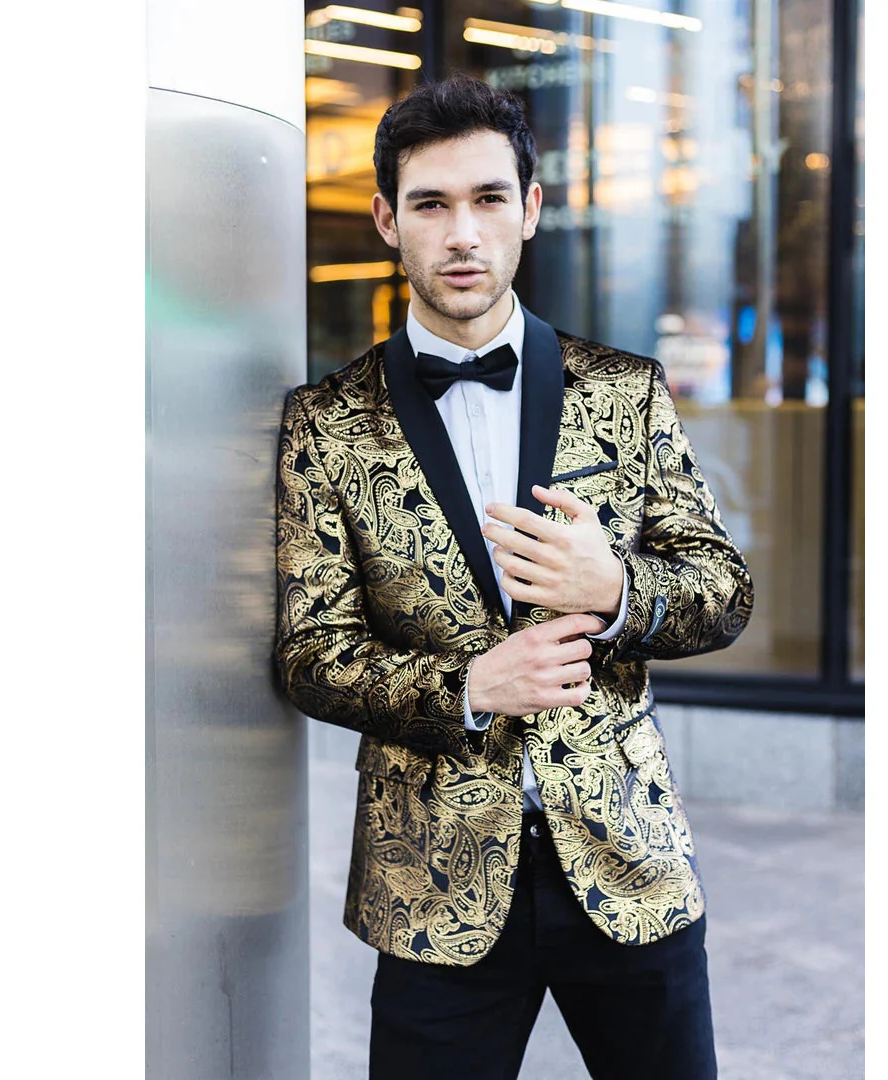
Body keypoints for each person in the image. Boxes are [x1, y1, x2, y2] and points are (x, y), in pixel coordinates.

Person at [275, 72, 754, 1080]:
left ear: (529, 210)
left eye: (489, 199)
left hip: (628, 865)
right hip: (431, 883)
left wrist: (617, 592)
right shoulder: (324, 424)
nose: (463, 235)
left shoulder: (626, 392)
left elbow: (723, 590)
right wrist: (470, 687)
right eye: (431, 205)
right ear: (387, 222)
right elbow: (311, 653)